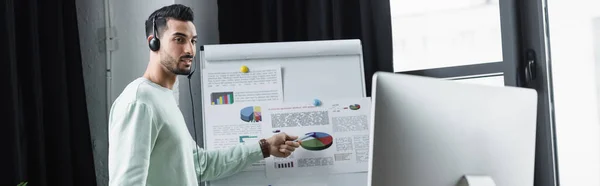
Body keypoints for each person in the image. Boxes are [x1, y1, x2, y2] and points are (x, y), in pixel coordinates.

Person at [108, 4, 301, 185]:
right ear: (154, 43)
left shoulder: (163, 97)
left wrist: (265, 147)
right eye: (179, 39)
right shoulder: (139, 101)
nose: (189, 50)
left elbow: (200, 165)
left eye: (192, 41)